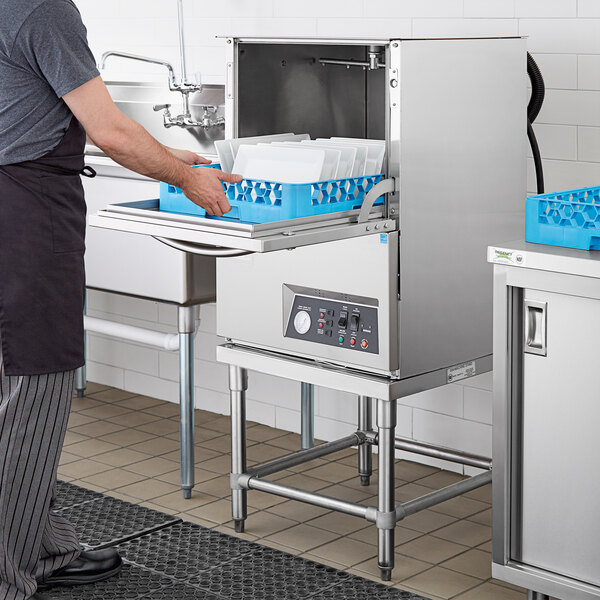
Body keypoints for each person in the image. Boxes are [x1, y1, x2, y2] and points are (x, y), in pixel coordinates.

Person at [0, 1, 241, 599]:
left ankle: (42, 547)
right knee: (35, 387)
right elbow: (108, 131)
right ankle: (8, 574)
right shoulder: (41, 8)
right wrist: (187, 179)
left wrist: (165, 159)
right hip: (24, 214)